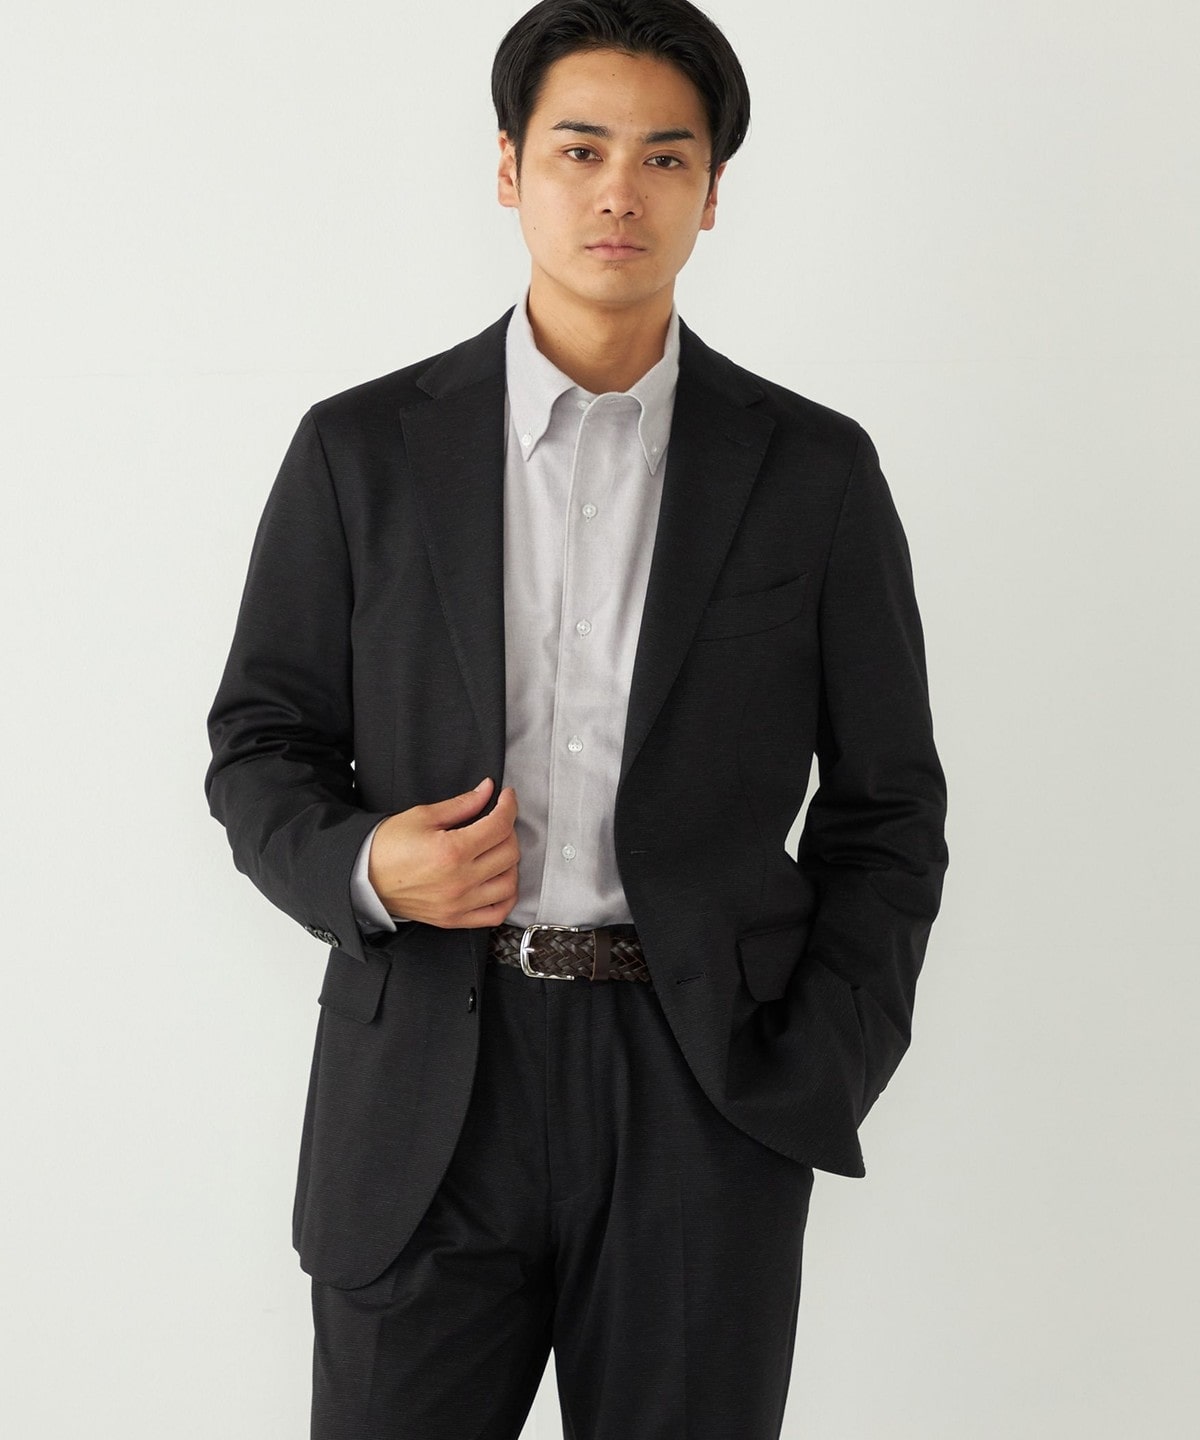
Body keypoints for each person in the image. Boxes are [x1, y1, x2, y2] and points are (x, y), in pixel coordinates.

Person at [205, 1, 948, 1435]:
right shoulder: (361, 452)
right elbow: (260, 742)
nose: (620, 190)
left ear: (712, 193)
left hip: (700, 1088)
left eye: (666, 158)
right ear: (510, 167)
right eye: (580, 148)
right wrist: (366, 866)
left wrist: (818, 1064)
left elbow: (888, 810)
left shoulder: (814, 472)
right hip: (427, 1080)